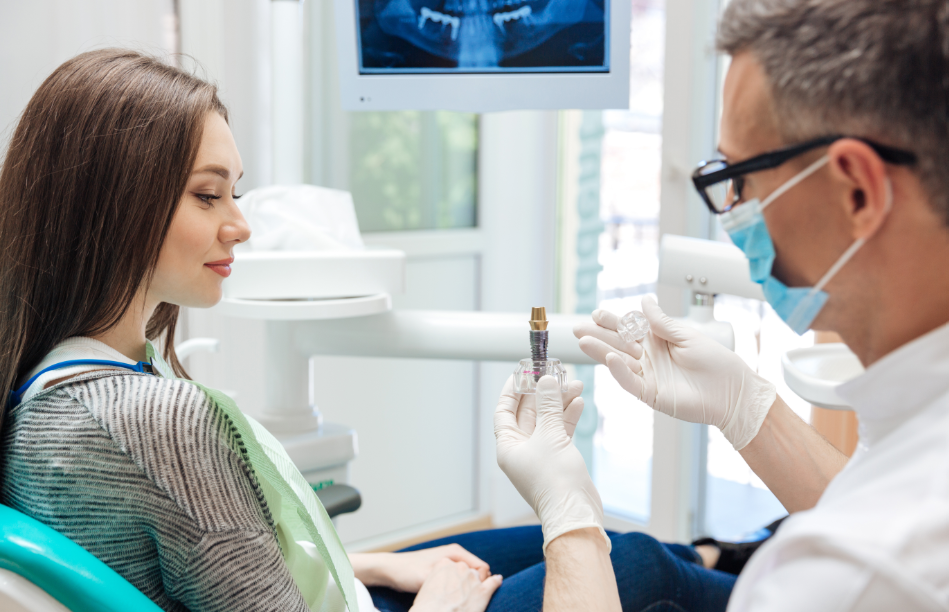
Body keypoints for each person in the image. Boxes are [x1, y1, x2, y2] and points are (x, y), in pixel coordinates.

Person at [0, 47, 732, 612]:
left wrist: (379, 563)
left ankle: (728, 554)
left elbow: (216, 571)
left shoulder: (48, 381)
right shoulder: (155, 421)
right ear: (112, 203)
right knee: (637, 565)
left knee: (635, 549)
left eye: (235, 192)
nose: (241, 224)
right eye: (207, 195)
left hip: (335, 589)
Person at [497, 0, 949, 610]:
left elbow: (874, 536)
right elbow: (873, 496)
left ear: (857, 192)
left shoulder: (846, 575)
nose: (735, 211)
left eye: (742, 177)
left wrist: (568, 515)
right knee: (647, 561)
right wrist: (746, 407)